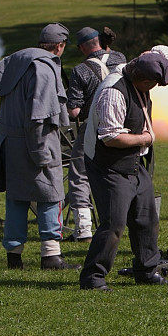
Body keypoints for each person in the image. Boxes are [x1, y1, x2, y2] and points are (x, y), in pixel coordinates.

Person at [0, 23, 79, 270]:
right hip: (37, 141)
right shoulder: (44, 69)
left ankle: (13, 257)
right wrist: (40, 152)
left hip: (10, 142)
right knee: (51, 195)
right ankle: (51, 256)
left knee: (16, 198)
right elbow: (39, 117)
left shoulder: (16, 61)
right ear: (60, 46)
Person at [79, 52, 168, 291]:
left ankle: (145, 269)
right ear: (142, 77)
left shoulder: (137, 80)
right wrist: (145, 138)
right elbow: (111, 137)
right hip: (109, 164)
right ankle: (93, 278)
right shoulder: (114, 92)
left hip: (133, 162)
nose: (154, 87)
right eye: (153, 83)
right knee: (114, 224)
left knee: (146, 218)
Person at [65, 27, 128, 242]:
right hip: (123, 125)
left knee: (79, 174)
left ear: (82, 47)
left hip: (94, 127)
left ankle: (83, 229)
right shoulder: (120, 59)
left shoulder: (80, 70)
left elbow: (74, 111)